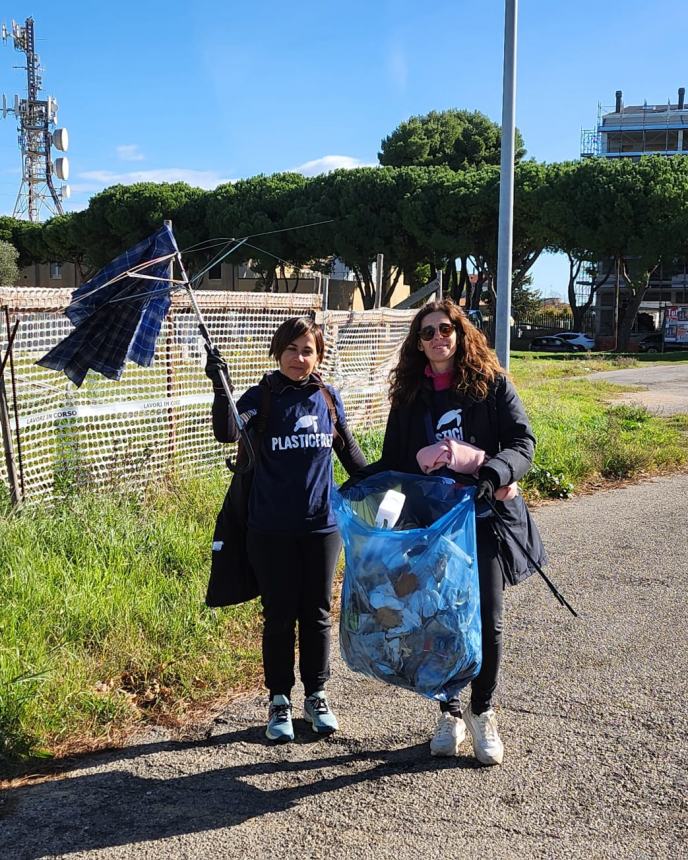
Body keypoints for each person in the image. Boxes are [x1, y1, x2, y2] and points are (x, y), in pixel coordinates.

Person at [364, 299, 546, 766]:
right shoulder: (409, 397)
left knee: (487, 619)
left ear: (460, 333)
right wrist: (356, 478)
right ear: (418, 345)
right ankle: (449, 712)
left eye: (445, 328)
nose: (437, 337)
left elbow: (523, 442)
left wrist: (493, 471)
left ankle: (482, 709)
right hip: (433, 527)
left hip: (483, 521)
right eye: (427, 333)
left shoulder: (492, 384)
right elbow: (395, 462)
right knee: (439, 621)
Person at [206, 316, 366, 743]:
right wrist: (219, 387)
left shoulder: (328, 398)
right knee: (278, 617)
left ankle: (316, 694)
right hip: (269, 528)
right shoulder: (262, 396)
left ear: (319, 356)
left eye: (308, 350)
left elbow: (352, 457)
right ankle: (279, 699)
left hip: (321, 528)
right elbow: (226, 431)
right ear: (278, 351)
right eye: (292, 349)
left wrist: (398, 487)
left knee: (316, 614)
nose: (300, 358)